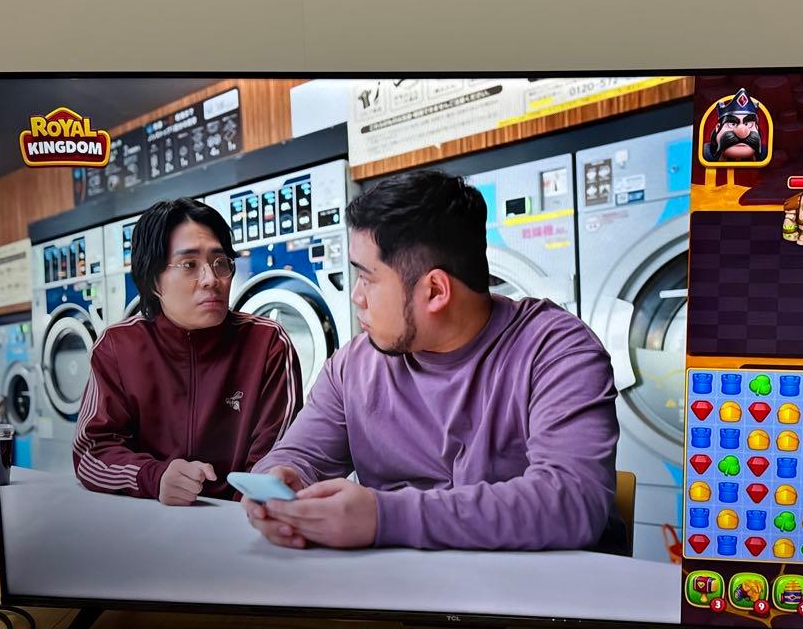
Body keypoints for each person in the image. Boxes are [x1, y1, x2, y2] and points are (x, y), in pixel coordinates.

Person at [246, 169, 624, 552]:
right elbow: (299, 455)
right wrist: (279, 482)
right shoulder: (352, 368)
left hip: (542, 586)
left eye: (368, 278)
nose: (356, 296)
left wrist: (384, 517)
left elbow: (573, 501)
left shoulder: (557, 350)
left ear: (435, 291)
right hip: (406, 585)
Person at [73, 197, 305, 504]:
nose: (211, 280)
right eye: (189, 265)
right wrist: (154, 477)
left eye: (220, 263)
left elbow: (277, 461)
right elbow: (91, 452)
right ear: (154, 281)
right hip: (148, 516)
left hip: (240, 517)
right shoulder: (118, 346)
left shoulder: (267, 343)